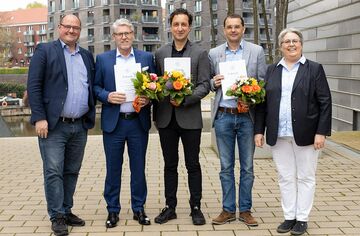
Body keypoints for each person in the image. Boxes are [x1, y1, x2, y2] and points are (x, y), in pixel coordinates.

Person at [254, 28, 332, 235]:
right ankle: (289, 217)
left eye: (295, 41)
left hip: (307, 133)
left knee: (306, 177)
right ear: (280, 46)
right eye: (287, 41)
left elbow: (325, 102)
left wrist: (321, 132)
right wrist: (258, 131)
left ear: (301, 44)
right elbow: (262, 104)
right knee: (285, 177)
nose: (291, 44)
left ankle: (302, 218)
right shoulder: (272, 70)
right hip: (279, 134)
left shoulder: (314, 69)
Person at [27, 14, 96, 236]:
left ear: (80, 30)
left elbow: (90, 87)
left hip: (79, 125)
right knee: (53, 171)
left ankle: (66, 210)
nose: (71, 31)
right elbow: (34, 85)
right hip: (53, 125)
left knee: (71, 171)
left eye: (76, 27)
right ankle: (56, 215)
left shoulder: (86, 56)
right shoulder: (45, 51)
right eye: (67, 26)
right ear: (59, 28)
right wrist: (39, 117)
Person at [93, 18, 155, 228]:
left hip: (138, 122)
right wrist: (107, 96)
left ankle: (139, 208)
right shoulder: (103, 59)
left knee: (139, 169)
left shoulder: (146, 57)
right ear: (114, 37)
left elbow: (154, 86)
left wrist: (148, 97)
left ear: (133, 34)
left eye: (127, 33)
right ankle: (113, 210)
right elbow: (94, 87)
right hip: (114, 123)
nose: (124, 37)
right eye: (120, 34)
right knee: (113, 169)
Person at [153, 8, 210, 225]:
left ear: (189, 26)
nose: (179, 28)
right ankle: (170, 207)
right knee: (170, 164)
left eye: (183, 24)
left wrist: (185, 99)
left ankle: (195, 207)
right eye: (176, 24)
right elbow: (155, 85)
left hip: (190, 118)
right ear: (170, 26)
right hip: (166, 118)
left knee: (193, 164)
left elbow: (205, 85)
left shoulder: (199, 53)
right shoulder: (160, 53)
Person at [209, 14, 266, 226]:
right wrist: (214, 82)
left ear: (243, 29)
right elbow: (207, 83)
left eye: (237, 27)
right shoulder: (214, 54)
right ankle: (227, 209)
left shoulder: (256, 51)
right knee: (225, 166)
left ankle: (245, 209)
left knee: (248, 167)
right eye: (229, 27)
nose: (233, 30)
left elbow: (262, 83)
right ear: (224, 30)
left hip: (246, 118)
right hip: (224, 115)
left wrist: (250, 98)